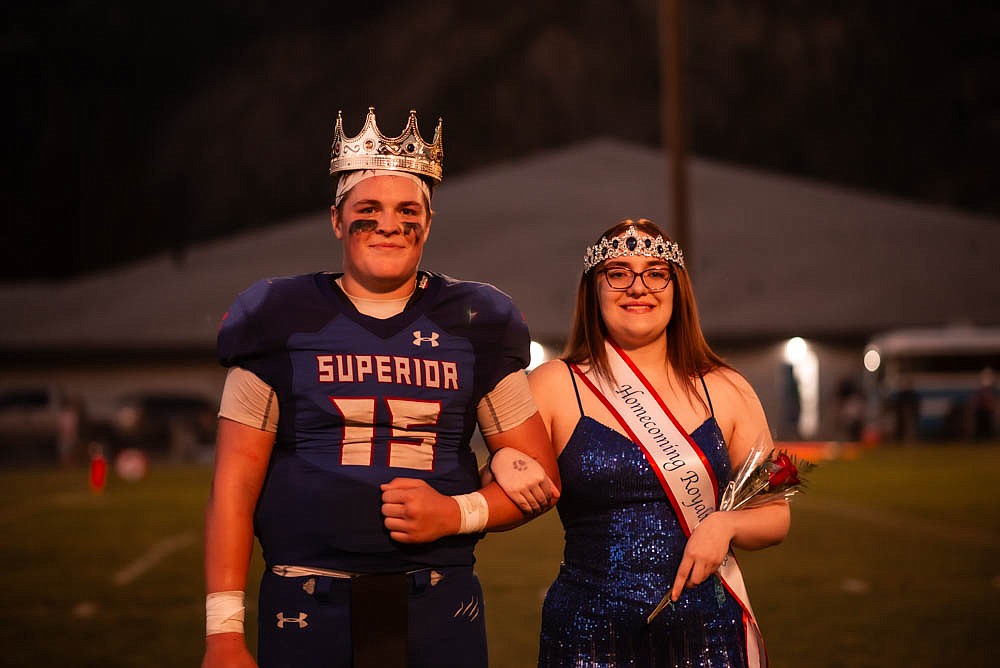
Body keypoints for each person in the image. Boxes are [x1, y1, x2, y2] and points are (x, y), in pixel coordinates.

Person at [202, 107, 559, 668]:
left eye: (407, 210)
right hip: (306, 598)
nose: (390, 224)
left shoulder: (477, 318)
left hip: (438, 598)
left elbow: (539, 478)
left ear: (429, 221)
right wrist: (223, 632)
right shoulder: (275, 315)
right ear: (337, 220)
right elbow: (233, 486)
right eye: (368, 210)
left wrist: (455, 513)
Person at [527, 219, 791, 667]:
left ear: (676, 287)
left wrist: (724, 526)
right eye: (618, 273)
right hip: (587, 635)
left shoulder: (728, 388)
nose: (638, 287)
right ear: (593, 288)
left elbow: (775, 514)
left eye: (655, 272)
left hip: (708, 632)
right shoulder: (553, 384)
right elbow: (508, 480)